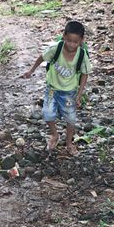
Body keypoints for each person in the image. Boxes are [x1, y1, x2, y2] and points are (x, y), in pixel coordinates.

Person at [21, 20, 91, 155]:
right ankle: (55, 134)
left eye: (75, 42)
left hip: (69, 92)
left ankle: (69, 143)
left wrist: (79, 94)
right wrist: (31, 71)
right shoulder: (56, 49)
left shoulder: (81, 55)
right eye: (68, 40)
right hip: (52, 89)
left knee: (70, 118)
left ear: (81, 40)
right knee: (47, 114)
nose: (71, 44)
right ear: (63, 36)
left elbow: (85, 74)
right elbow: (41, 58)